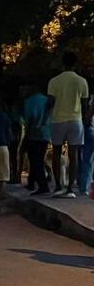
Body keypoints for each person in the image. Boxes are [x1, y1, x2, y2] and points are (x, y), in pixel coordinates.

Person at [48, 51, 89, 198]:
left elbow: (50, 102)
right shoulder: (82, 81)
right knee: (73, 154)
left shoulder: (54, 81)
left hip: (58, 119)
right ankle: (70, 188)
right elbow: (84, 104)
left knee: (56, 153)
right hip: (76, 120)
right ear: (75, 64)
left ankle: (58, 186)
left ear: (62, 63)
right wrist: (85, 119)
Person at [22, 81, 51, 196]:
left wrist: (26, 137)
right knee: (38, 158)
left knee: (35, 161)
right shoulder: (46, 100)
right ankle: (31, 182)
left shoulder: (29, 102)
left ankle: (43, 186)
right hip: (46, 133)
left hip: (34, 134)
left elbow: (29, 120)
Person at [78, 83, 94, 197]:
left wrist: (86, 122)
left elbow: (89, 115)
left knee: (87, 159)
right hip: (91, 128)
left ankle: (84, 187)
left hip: (91, 129)